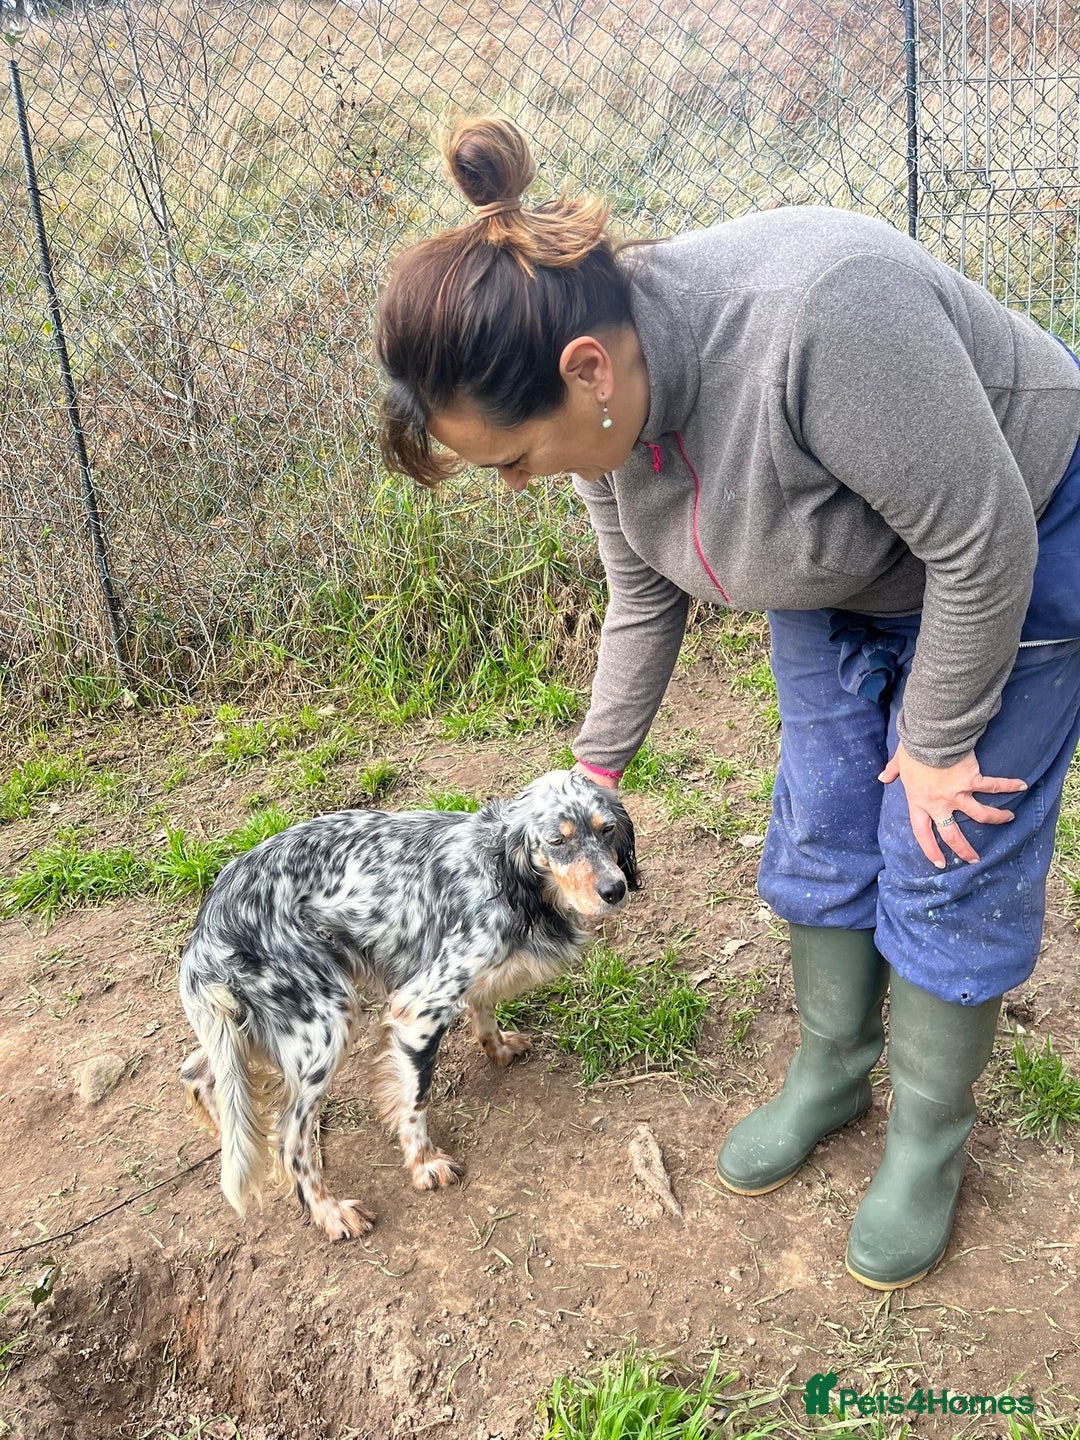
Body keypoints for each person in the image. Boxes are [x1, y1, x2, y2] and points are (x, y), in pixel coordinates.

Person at [374, 115, 1080, 1290]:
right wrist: (593, 773)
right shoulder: (604, 418)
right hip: (836, 554)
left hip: (1018, 531)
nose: (513, 485)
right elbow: (644, 590)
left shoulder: (824, 318)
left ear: (585, 373)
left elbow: (982, 537)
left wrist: (940, 739)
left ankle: (925, 1143)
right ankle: (830, 1071)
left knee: (944, 839)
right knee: (823, 816)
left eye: (507, 458)